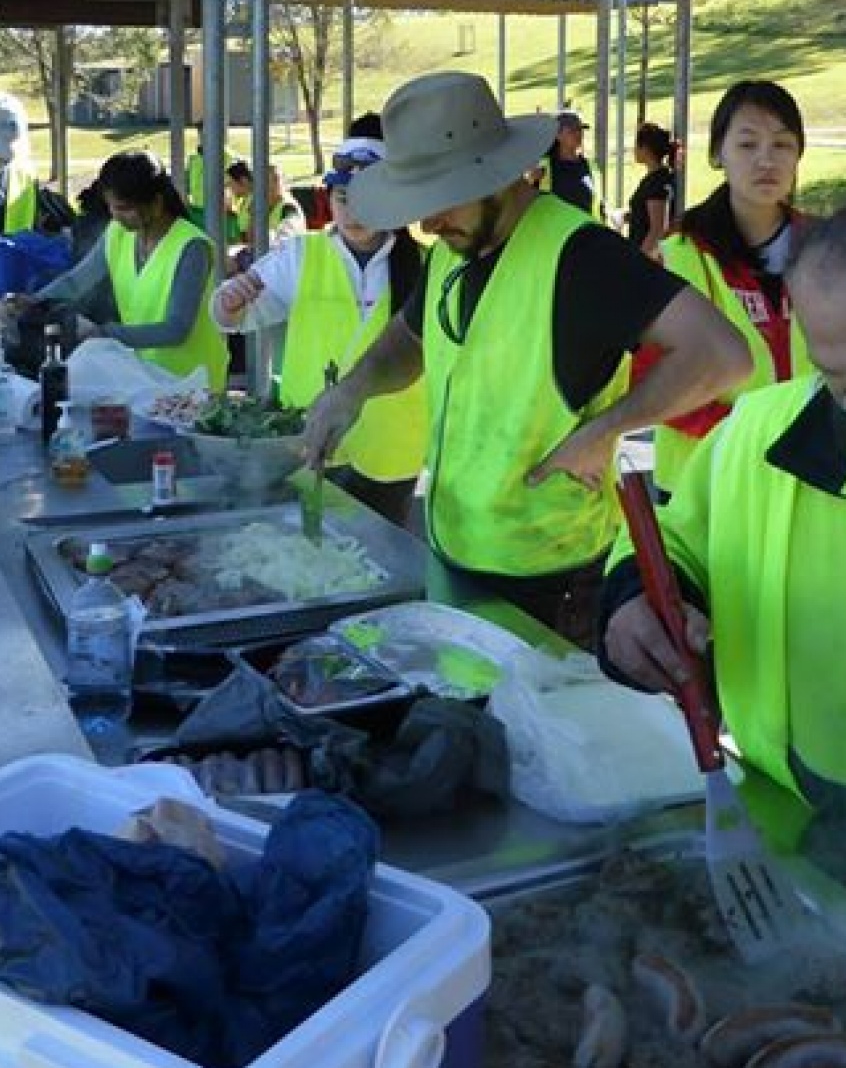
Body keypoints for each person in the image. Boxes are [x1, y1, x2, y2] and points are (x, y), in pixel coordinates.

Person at [302, 72, 751, 649]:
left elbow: (722, 355)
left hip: (553, 582)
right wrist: (354, 389)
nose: (428, 224)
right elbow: (411, 339)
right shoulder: (455, 247)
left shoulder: (583, 255)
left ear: (496, 174)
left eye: (439, 201)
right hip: (458, 553)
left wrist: (607, 428)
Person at [600, 197, 846, 833]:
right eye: (836, 376)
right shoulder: (760, 431)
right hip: (785, 817)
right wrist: (636, 602)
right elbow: (673, 541)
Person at [211, 128, 426, 527]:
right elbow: (238, 317)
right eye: (343, 200)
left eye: (367, 202)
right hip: (309, 444)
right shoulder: (299, 255)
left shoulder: (425, 265)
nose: (353, 214)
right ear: (329, 199)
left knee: (377, 559)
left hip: (392, 451)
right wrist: (230, 303)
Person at [641, 80, 813, 498]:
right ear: (718, 153)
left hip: (804, 484)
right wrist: (752, 437)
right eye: (748, 145)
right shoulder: (679, 255)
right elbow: (649, 379)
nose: (766, 161)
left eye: (783, 145)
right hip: (704, 485)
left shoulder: (828, 248)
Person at [14, 151, 227, 389]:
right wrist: (33, 301)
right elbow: (76, 282)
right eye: (111, 208)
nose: (115, 216)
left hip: (192, 382)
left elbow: (176, 329)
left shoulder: (191, 247)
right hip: (144, 376)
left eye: (124, 208)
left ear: (156, 203)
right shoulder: (117, 234)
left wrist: (103, 333)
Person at [0, 91, 72, 236]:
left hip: (16, 255)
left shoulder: (23, 174)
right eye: (5, 125)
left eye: (15, 125)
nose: (13, 133)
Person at [225, 161, 307, 269]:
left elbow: (283, 244)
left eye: (273, 182)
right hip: (265, 260)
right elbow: (251, 241)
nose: (261, 189)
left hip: (282, 264)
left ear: (280, 184)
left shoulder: (288, 208)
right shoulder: (263, 205)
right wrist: (254, 217)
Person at [531, 110, 604, 221]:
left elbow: (598, 204)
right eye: (572, 130)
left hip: (587, 232)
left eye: (580, 130)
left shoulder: (591, 166)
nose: (578, 134)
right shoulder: (542, 166)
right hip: (556, 234)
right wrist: (532, 179)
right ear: (558, 135)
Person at [626, 122, 676, 258]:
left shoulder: (656, 183)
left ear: (646, 149)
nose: (634, 149)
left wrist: (639, 261)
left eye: (637, 145)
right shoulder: (661, 177)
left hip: (650, 261)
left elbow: (658, 228)